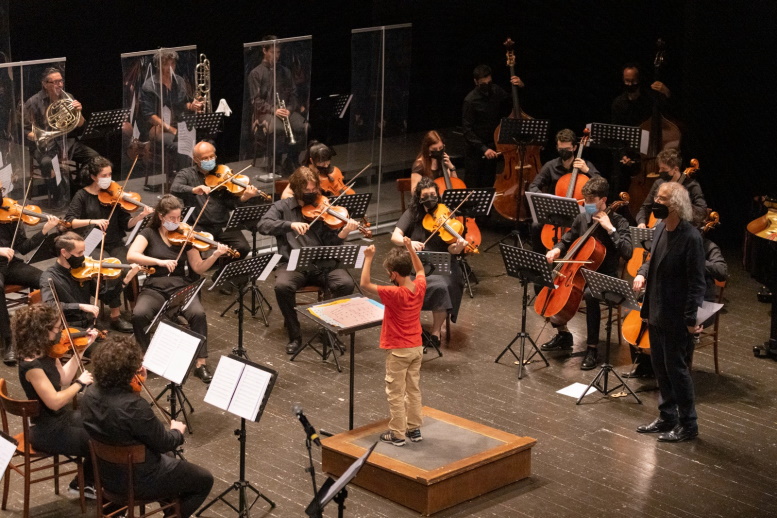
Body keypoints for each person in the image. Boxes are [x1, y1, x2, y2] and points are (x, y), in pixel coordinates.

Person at [81, 336, 213, 518]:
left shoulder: (89, 394)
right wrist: (177, 431)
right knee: (204, 480)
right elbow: (165, 442)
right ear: (130, 371)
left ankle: (168, 509)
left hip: (106, 475)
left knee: (167, 460)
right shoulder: (134, 406)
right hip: (139, 481)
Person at [257, 166, 358, 354]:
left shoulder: (324, 207)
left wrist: (343, 232)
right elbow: (263, 225)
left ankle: (329, 329)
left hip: (324, 264)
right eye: (307, 191)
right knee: (282, 287)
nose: (312, 194)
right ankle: (295, 335)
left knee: (345, 283)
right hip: (293, 264)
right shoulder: (282, 207)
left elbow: (332, 242)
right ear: (296, 190)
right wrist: (289, 225)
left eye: (315, 190)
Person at [633, 182, 705, 442]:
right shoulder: (661, 227)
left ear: (674, 205)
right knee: (660, 367)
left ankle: (688, 423)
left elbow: (698, 284)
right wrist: (641, 274)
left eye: (660, 198)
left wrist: (690, 320)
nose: (655, 201)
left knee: (676, 369)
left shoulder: (691, 238)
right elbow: (651, 259)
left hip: (676, 315)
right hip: (655, 309)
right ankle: (667, 417)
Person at [127, 194, 226, 383]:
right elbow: (132, 255)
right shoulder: (149, 233)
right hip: (155, 287)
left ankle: (201, 364)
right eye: (172, 218)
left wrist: (215, 256)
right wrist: (159, 261)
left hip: (181, 287)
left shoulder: (185, 235)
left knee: (199, 314)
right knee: (139, 315)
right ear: (161, 216)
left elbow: (198, 267)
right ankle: (147, 359)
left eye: (179, 217)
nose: (177, 222)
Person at [541, 177, 632, 369]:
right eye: (585, 200)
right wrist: (557, 249)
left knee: (591, 295)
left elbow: (627, 252)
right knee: (547, 281)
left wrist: (610, 229)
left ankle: (592, 349)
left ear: (603, 200)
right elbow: (567, 240)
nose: (587, 204)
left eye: (591, 200)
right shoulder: (582, 218)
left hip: (605, 277)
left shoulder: (619, 221)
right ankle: (563, 334)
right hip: (580, 273)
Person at [13, 303, 98, 498]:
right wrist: (80, 383)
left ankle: (86, 482)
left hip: (61, 418)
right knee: (100, 440)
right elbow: (54, 401)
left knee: (104, 425)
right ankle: (84, 484)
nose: (60, 332)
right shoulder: (31, 365)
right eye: (56, 328)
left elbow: (63, 379)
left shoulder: (48, 351)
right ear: (41, 331)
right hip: (46, 430)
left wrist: (82, 349)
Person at [360, 238, 427, 446]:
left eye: (389, 272)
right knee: (413, 389)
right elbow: (421, 270)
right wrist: (409, 249)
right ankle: (414, 429)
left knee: (395, 393)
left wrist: (368, 258)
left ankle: (397, 434)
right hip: (416, 347)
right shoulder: (420, 286)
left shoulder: (394, 293)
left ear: (394, 274)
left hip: (399, 350)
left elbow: (364, 284)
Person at [170, 140, 261, 293]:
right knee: (194, 249)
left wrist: (244, 197)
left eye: (211, 156)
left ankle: (222, 277)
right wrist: (194, 189)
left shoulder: (223, 175)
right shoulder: (187, 174)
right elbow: (175, 188)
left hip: (222, 224)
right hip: (198, 225)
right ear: (196, 160)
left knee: (243, 247)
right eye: (205, 158)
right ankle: (193, 285)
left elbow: (231, 203)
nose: (209, 160)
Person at [390, 177, 466, 348]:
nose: (430, 198)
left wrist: (458, 247)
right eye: (426, 196)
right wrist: (408, 242)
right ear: (419, 198)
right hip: (415, 264)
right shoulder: (412, 213)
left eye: (433, 194)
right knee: (420, 285)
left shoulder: (446, 212)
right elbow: (395, 237)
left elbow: (452, 249)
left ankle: (436, 332)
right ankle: (412, 328)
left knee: (442, 285)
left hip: (442, 264)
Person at [0, 180, 62, 364]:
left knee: (47, 279)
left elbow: (23, 247)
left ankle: (48, 330)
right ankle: (8, 341)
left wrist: (44, 230)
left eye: (1, 190)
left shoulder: (10, 211)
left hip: (10, 264)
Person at [23, 67, 98, 207]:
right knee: (46, 163)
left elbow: (80, 124)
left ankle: (77, 188)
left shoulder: (68, 97)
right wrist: (38, 136)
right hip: (45, 146)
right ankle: (57, 194)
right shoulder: (33, 102)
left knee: (95, 158)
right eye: (55, 82)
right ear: (45, 84)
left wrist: (79, 112)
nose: (60, 85)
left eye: (61, 81)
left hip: (67, 143)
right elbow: (24, 130)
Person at [41, 232, 140, 332]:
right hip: (69, 328)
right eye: (79, 253)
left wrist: (126, 279)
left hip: (90, 325)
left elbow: (106, 297)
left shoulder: (83, 271)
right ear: (64, 253)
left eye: (83, 252)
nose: (83, 257)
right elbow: (50, 305)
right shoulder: (49, 276)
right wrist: (80, 306)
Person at [64, 156, 153, 263]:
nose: (108, 178)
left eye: (110, 174)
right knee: (108, 267)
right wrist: (93, 221)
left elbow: (126, 224)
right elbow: (69, 221)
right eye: (104, 175)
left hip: (115, 243)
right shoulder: (82, 196)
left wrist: (141, 216)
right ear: (93, 177)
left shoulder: (115, 195)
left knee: (128, 266)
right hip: (93, 244)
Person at [528, 128, 601, 252]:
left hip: (578, 213)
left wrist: (587, 171)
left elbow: (601, 184)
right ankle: (539, 261)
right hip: (555, 212)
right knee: (535, 225)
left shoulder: (585, 164)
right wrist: (549, 199)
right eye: (561, 149)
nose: (564, 152)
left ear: (574, 148)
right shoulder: (550, 166)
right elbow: (533, 186)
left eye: (567, 149)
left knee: (587, 228)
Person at [248, 35, 307, 172]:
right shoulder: (256, 73)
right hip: (265, 113)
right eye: (273, 52)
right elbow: (255, 101)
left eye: (278, 52)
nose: (277, 56)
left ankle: (291, 159)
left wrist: (290, 109)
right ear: (264, 50)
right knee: (278, 129)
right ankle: (275, 162)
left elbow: (294, 94)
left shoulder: (285, 71)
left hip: (286, 110)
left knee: (304, 127)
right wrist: (274, 110)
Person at [138, 50, 202, 170]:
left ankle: (202, 174)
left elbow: (183, 104)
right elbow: (149, 115)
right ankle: (184, 177)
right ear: (158, 65)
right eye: (166, 64)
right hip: (158, 129)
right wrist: (171, 129)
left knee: (206, 142)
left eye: (172, 64)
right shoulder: (149, 86)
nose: (170, 67)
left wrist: (191, 106)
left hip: (180, 125)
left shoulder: (179, 81)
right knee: (181, 145)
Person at [461, 64, 523, 188]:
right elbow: (467, 130)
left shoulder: (496, 91)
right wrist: (484, 148)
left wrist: (519, 86)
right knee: (473, 185)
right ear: (475, 82)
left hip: (493, 145)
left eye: (489, 82)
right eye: (483, 84)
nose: (487, 86)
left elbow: (512, 100)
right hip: (476, 150)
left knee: (489, 184)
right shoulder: (470, 101)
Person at [636, 148, 706, 228]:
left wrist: (681, 205)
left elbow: (701, 212)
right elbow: (645, 207)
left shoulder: (692, 186)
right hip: (657, 228)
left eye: (664, 169)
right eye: (660, 168)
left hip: (681, 229)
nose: (660, 171)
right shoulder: (659, 183)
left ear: (675, 169)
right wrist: (641, 222)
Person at [281, 140, 349, 199]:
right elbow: (285, 196)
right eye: (321, 162)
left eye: (327, 160)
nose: (326, 165)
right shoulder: (303, 174)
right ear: (312, 160)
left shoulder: (332, 170)